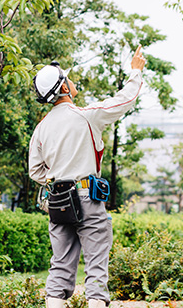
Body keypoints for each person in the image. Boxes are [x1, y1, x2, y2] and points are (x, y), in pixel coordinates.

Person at [29, 46, 146, 308]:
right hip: (87, 197)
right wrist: (135, 72)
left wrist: (59, 177)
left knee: (59, 266)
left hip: (57, 200)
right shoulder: (86, 116)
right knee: (95, 267)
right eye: (68, 78)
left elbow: (35, 171)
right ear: (64, 88)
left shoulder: (41, 128)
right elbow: (124, 101)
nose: (72, 81)